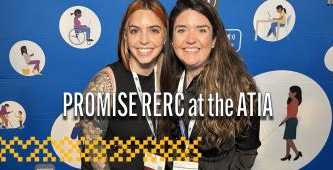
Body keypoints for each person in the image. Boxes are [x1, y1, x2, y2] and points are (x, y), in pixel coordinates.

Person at [158, 0, 261, 169]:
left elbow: (246, 154)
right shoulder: (170, 78)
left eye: (201, 30)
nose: (191, 39)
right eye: (182, 30)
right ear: (171, 40)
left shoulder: (241, 88)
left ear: (214, 40)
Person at [79, 0, 168, 169]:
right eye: (135, 31)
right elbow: (93, 149)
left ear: (165, 37)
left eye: (154, 30)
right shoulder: (104, 84)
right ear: (125, 36)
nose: (144, 40)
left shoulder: (170, 78)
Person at [279, 86, 303, 161]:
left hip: (292, 120)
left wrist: (283, 121)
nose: (288, 93)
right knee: (287, 139)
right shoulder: (292, 101)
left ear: (295, 93)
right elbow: (289, 114)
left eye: (290, 92)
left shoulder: (295, 101)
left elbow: (290, 114)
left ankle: (297, 153)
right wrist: (285, 121)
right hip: (290, 120)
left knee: (288, 139)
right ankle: (287, 155)